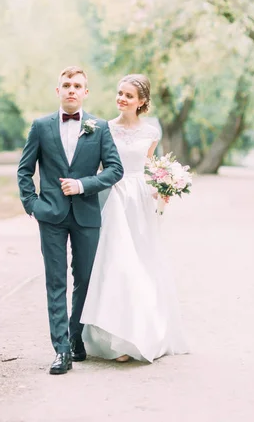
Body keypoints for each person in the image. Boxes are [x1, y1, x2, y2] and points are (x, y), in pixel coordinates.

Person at [17, 66, 124, 375]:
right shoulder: (40, 126)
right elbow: (24, 171)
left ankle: (76, 336)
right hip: (50, 214)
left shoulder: (99, 127)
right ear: (58, 91)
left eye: (78, 85)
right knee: (55, 281)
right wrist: (33, 205)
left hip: (87, 214)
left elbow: (114, 169)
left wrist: (83, 185)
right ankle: (61, 349)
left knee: (86, 279)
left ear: (86, 92)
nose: (72, 90)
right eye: (67, 85)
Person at [81, 74, 188, 363]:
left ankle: (141, 333)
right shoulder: (103, 128)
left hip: (141, 200)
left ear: (141, 102)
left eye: (128, 95)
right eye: (119, 93)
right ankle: (117, 336)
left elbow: (151, 166)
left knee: (142, 262)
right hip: (113, 197)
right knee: (117, 262)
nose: (122, 99)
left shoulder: (151, 132)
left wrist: (163, 188)